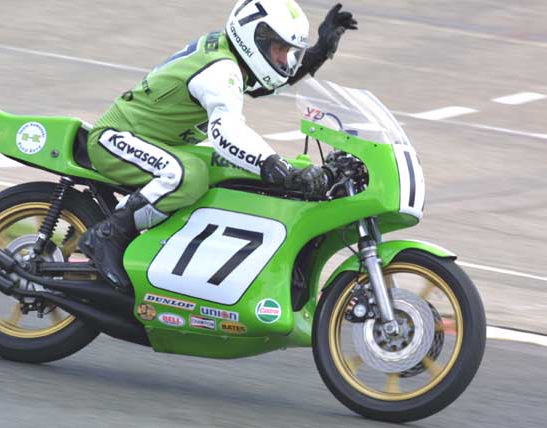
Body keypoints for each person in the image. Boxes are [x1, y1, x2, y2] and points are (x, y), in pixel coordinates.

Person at [79, 0, 358, 291]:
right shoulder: (220, 70)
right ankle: (108, 235)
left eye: (288, 51)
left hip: (158, 142)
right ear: (254, 36)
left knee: (233, 176)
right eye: (279, 48)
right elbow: (226, 131)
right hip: (117, 136)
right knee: (187, 176)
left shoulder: (231, 56)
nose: (283, 59)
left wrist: (318, 52)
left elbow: (261, 87)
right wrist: (278, 168)